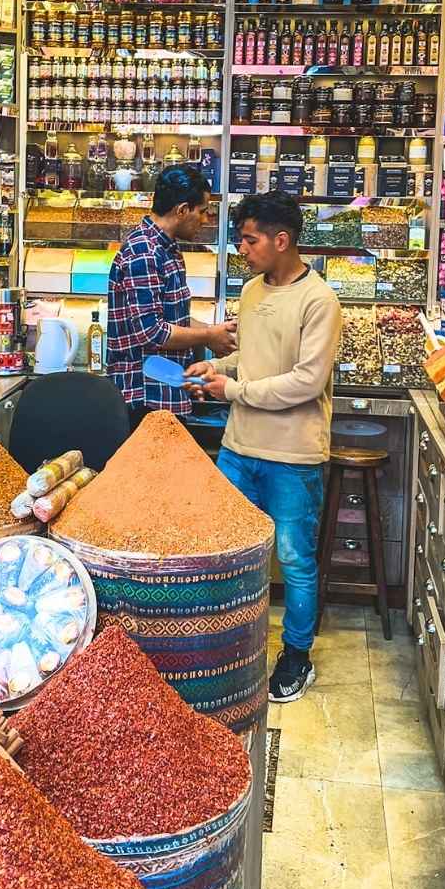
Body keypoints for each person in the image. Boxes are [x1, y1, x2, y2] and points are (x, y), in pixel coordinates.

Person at [187, 191, 342, 703]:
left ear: (282, 240)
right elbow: (250, 361)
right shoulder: (252, 291)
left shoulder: (319, 301)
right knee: (228, 551)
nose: (242, 248)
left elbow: (306, 381)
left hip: (293, 456)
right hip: (240, 448)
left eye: (250, 239)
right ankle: (231, 644)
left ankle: (296, 655)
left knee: (294, 559)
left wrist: (233, 391)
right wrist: (218, 369)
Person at [107, 163, 237, 430]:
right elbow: (151, 332)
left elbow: (174, 319)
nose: (205, 219)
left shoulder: (167, 249)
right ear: (182, 210)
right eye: (202, 212)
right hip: (144, 396)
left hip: (165, 390)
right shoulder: (144, 251)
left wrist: (218, 332)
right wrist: (209, 336)